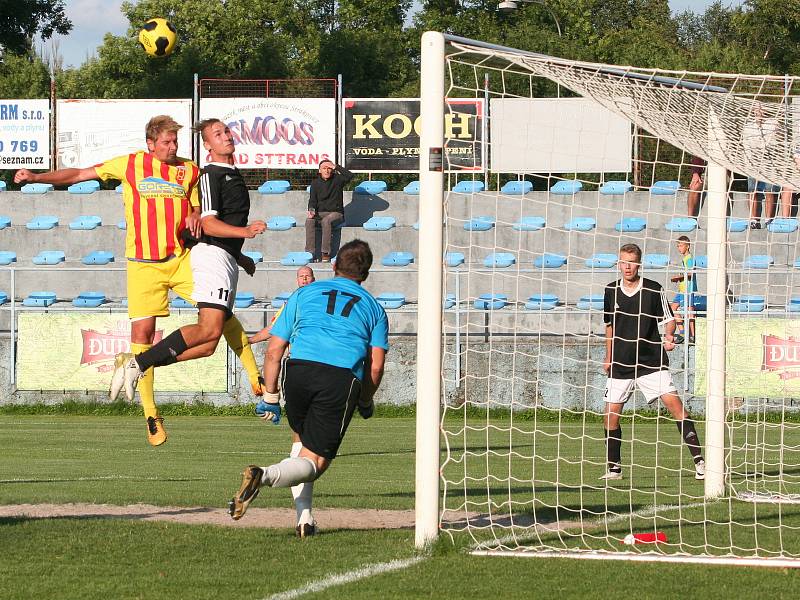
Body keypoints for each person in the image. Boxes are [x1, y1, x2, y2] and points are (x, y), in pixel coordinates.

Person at [14, 115, 265, 446]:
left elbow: (200, 211)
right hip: (143, 265)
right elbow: (78, 174)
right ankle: (150, 413)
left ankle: (253, 376)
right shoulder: (130, 165)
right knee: (143, 335)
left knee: (219, 315)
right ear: (150, 143)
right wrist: (37, 176)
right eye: (166, 142)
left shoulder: (189, 170)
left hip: (181, 258)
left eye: (175, 142)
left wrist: (193, 213)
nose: (172, 147)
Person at [228, 239, 388, 538]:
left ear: (333, 266)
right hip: (339, 378)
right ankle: (263, 475)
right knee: (315, 463)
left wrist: (271, 397)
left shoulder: (302, 294)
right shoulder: (374, 309)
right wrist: (365, 400)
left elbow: (274, 350)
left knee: (302, 444)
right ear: (366, 275)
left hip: (298, 371)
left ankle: (304, 519)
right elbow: (376, 366)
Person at [109, 118, 267, 411]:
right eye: (217, 134)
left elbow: (208, 217)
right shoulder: (209, 174)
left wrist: (240, 255)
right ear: (207, 145)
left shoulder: (230, 172)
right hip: (211, 257)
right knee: (209, 330)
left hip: (225, 256)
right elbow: (209, 223)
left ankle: (137, 364)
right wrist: (243, 234)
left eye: (227, 131)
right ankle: (139, 363)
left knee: (208, 346)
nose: (226, 137)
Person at [602, 243, 705, 481]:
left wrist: (669, 335)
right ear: (619, 263)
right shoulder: (610, 290)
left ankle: (700, 463)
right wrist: (608, 356)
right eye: (623, 262)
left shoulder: (653, 289)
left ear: (639, 264)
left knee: (676, 407)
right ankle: (614, 468)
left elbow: (669, 319)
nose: (627, 267)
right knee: (610, 416)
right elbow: (609, 327)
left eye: (632, 262)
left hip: (651, 360)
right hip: (621, 362)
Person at [248, 266, 316, 345]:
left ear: (313, 279)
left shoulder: (320, 299)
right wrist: (251, 340)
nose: (304, 279)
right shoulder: (291, 301)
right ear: (297, 280)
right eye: (301, 276)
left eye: (307, 276)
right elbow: (275, 326)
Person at [305, 160, 353, 262]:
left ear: (332, 170)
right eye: (324, 168)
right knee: (309, 221)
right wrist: (311, 211)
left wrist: (336, 166)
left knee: (326, 221)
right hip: (320, 213)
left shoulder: (338, 180)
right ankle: (310, 253)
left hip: (336, 214)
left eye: (329, 168)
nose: (327, 170)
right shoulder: (315, 183)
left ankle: (325, 253)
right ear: (319, 170)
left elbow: (350, 175)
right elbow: (312, 200)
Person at [743, 105, 782, 228]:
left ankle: (769, 220)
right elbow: (746, 146)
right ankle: (754, 220)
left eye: (761, 109)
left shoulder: (772, 124)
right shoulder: (748, 127)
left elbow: (776, 143)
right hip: (753, 163)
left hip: (769, 163)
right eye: (756, 109)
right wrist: (748, 164)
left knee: (769, 190)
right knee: (751, 190)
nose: (758, 112)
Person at [669, 235, 697, 344]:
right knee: (673, 308)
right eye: (678, 246)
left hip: (688, 290)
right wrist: (679, 278)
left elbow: (690, 274)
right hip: (682, 289)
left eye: (681, 245)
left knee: (690, 310)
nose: (679, 248)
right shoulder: (685, 258)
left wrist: (678, 277)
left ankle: (692, 335)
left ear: (688, 246)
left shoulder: (689, 258)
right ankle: (682, 332)